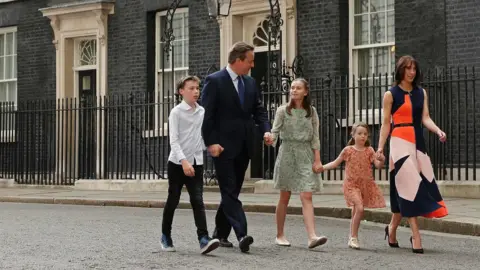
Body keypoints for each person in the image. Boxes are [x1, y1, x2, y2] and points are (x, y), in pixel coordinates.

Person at [201, 41, 272, 253]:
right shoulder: (215, 81)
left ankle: (220, 234)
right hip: (222, 147)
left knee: (231, 190)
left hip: (244, 145)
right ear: (238, 60)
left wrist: (266, 129)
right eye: (250, 61)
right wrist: (211, 142)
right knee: (230, 190)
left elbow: (259, 110)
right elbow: (207, 115)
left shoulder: (250, 82)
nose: (252, 65)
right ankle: (242, 234)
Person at [377, 55, 448, 254]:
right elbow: (385, 124)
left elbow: (425, 118)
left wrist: (438, 130)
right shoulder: (390, 94)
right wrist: (380, 148)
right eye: (408, 68)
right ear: (400, 70)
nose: (411, 72)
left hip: (417, 140)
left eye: (414, 69)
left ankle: (391, 229)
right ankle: (416, 236)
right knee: (409, 186)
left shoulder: (421, 93)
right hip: (399, 140)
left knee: (412, 186)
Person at [265, 78, 328, 249]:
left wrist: (317, 159)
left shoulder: (312, 112)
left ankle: (312, 237)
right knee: (284, 196)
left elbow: (315, 136)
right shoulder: (282, 111)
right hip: (286, 154)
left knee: (306, 195)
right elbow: (275, 133)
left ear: (306, 91)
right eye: (292, 88)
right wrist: (269, 139)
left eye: (298, 88)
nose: (294, 90)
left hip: (305, 154)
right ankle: (280, 234)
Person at [160, 76, 220, 255]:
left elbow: (201, 137)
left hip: (196, 163)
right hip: (177, 164)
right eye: (192, 88)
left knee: (197, 200)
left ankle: (203, 239)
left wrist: (210, 146)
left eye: (197, 88)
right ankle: (165, 236)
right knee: (173, 200)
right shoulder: (176, 112)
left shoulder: (201, 111)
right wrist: (184, 161)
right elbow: (174, 141)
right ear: (181, 91)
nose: (196, 91)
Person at [322, 122, 386, 249]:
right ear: (353, 135)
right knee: (360, 208)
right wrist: (321, 168)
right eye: (360, 133)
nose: (363, 136)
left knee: (356, 210)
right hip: (351, 185)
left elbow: (378, 166)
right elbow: (335, 163)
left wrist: (382, 159)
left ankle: (351, 236)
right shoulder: (348, 150)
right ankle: (354, 237)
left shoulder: (370, 150)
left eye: (365, 134)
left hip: (365, 185)